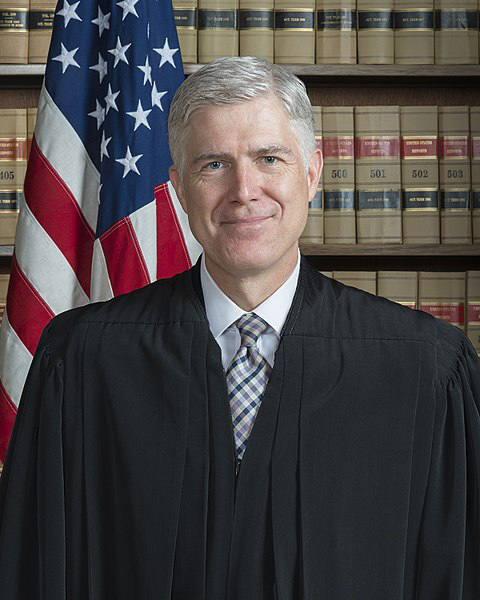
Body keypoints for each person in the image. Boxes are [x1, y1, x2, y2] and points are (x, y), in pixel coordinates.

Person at [0, 56, 479, 599]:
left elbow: (457, 574)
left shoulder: (425, 371)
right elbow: (35, 573)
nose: (244, 190)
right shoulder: (84, 361)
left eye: (269, 158)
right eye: (213, 165)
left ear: (313, 173)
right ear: (178, 188)